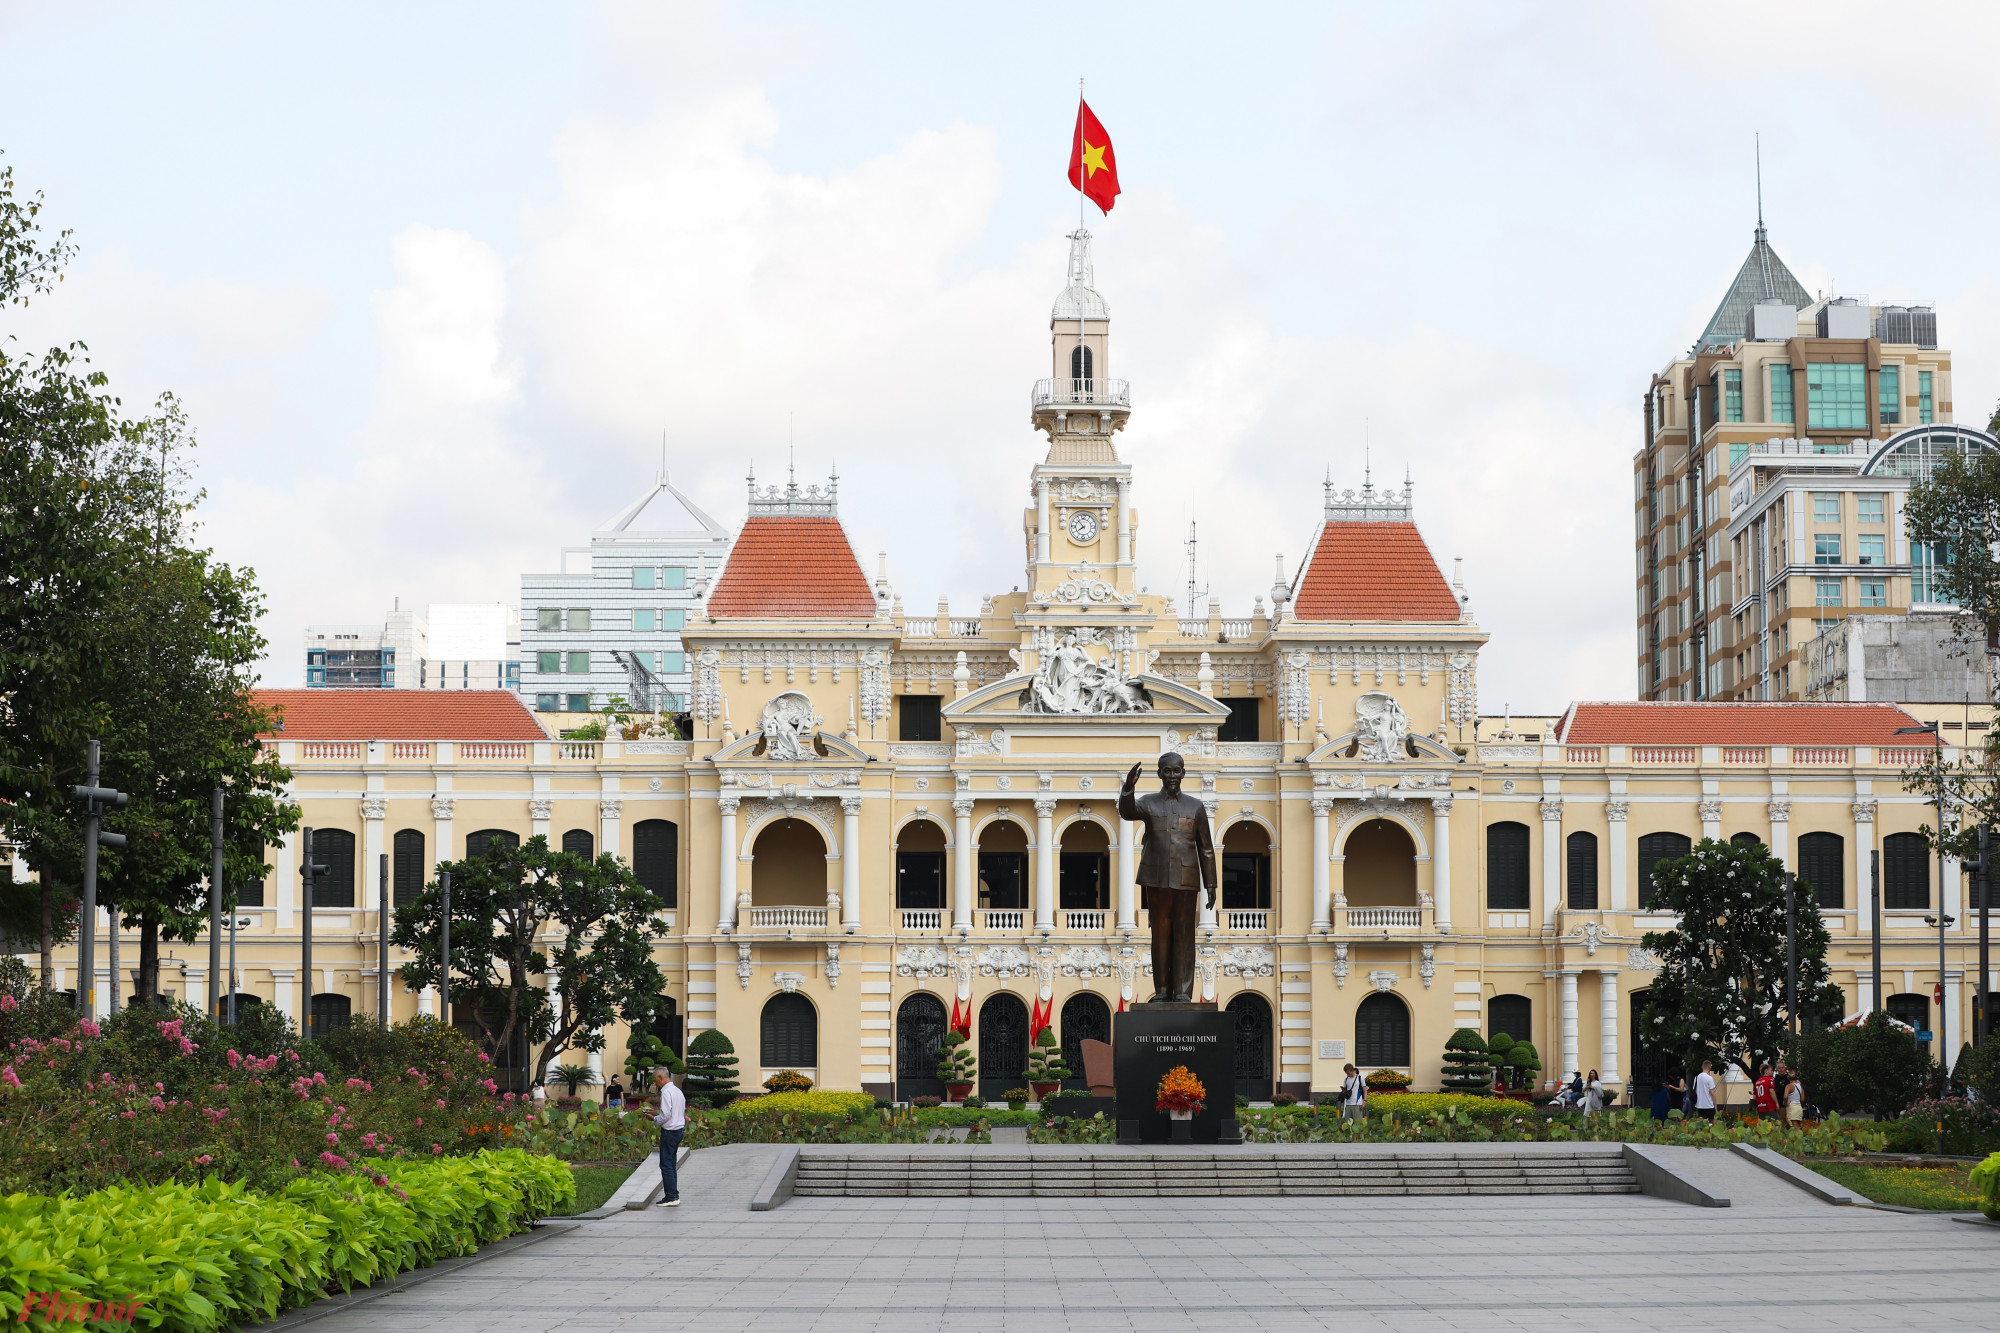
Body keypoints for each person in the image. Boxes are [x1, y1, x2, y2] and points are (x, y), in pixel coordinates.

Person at [651, 1067, 686, 1208]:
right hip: (678, 1130)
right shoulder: (677, 1091)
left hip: (669, 1132)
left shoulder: (666, 1092)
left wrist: (653, 1119)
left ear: (661, 1078)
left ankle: (671, 1196)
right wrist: (656, 1114)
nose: (656, 1084)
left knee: (666, 1165)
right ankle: (673, 1194)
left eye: (655, 1081)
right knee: (671, 1164)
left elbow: (666, 1115)